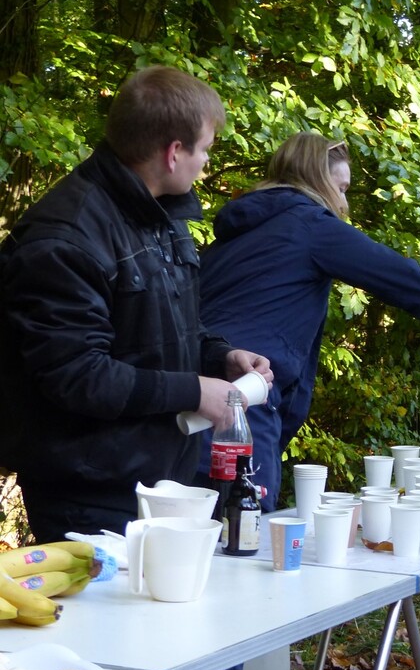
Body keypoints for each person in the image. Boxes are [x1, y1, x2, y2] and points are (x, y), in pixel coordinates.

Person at [180, 131, 420, 670]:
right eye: (340, 188)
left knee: (213, 557)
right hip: (243, 408)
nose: (343, 202)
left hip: (193, 402)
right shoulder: (307, 224)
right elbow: (402, 277)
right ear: (316, 183)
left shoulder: (235, 236)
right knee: (234, 559)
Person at [0, 65, 272, 544]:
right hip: (87, 494)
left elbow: (166, 327)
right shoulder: (64, 240)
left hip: (162, 481)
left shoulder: (160, 217)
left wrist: (220, 357)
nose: (206, 162)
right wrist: (194, 391)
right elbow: (77, 376)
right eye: (205, 149)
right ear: (174, 152)